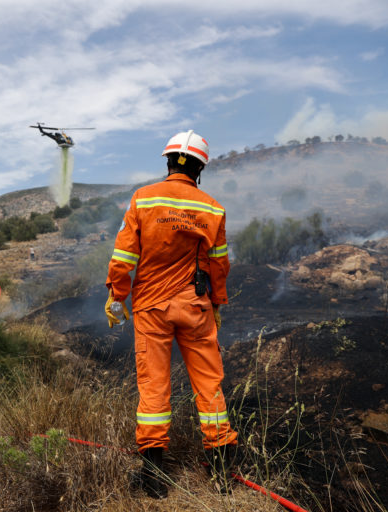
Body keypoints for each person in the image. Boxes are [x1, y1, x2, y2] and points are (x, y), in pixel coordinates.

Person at [105, 130, 238, 498]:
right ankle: (223, 473)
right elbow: (219, 265)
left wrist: (117, 298)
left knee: (154, 390)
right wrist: (217, 305)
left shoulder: (143, 200)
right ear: (200, 168)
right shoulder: (212, 208)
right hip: (196, 308)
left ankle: (153, 477)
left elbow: (123, 259)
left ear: (167, 162)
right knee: (209, 385)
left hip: (151, 308)